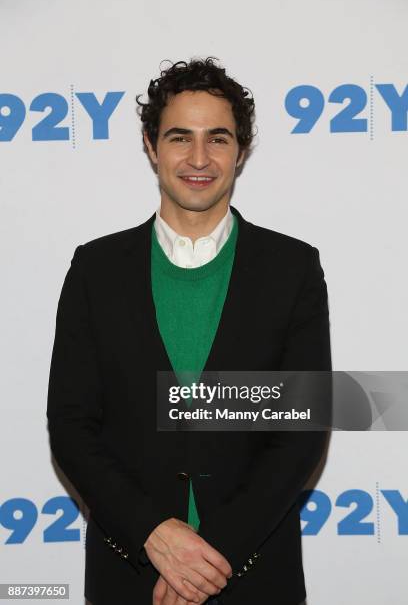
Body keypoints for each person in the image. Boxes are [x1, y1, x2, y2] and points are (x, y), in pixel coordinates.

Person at [47, 57, 331, 605]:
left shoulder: (292, 269)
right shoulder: (95, 269)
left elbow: (299, 436)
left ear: (240, 152)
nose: (199, 159)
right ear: (152, 147)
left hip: (253, 576)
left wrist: (206, 560)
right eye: (180, 137)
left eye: (218, 139)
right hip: (131, 577)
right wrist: (155, 536)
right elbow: (72, 426)